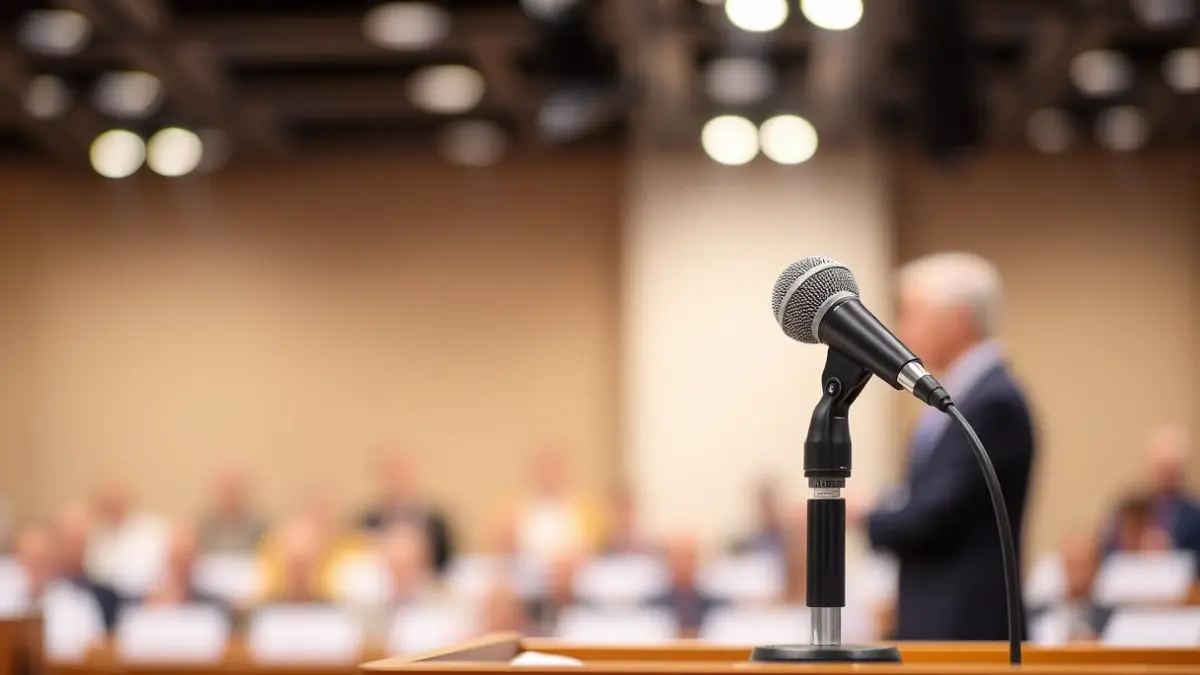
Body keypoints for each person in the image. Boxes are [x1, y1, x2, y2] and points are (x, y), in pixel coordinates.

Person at [848, 252, 1036, 641]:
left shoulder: (993, 403)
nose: (901, 329)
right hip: (937, 617)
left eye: (912, 313)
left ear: (958, 319)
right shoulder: (963, 396)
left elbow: (938, 515)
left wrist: (867, 514)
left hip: (968, 626)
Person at [357, 449, 454, 575]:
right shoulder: (366, 524)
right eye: (391, 475)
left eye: (401, 474)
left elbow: (446, 567)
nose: (397, 481)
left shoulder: (435, 524)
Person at [54, 505, 124, 630]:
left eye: (79, 541)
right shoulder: (42, 591)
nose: (74, 550)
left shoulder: (106, 596)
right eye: (69, 540)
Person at [651, 535, 721, 638]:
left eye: (689, 558)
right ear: (668, 562)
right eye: (678, 558)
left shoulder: (716, 606)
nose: (684, 564)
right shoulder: (652, 606)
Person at [198, 466, 267, 553]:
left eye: (234, 489)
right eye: (225, 489)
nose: (229, 495)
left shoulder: (260, 528)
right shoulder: (203, 528)